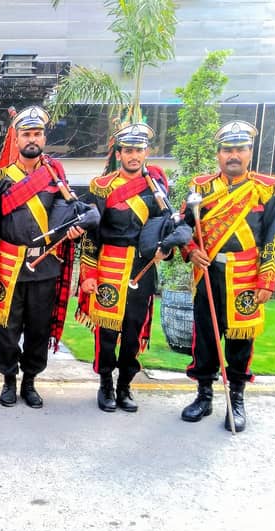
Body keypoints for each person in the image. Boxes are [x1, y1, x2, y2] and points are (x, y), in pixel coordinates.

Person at [0, 106, 94, 408]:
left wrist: (72, 231)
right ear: (16, 139)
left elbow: (69, 216)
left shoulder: (56, 176)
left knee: (37, 328)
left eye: (37, 133)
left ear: (44, 138)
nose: (32, 139)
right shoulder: (0, 179)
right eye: (26, 134)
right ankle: (8, 380)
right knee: (7, 329)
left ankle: (30, 381)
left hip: (45, 266)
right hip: (9, 267)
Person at [180, 120, 275, 432]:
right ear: (218, 154)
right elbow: (184, 228)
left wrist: (266, 279)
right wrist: (190, 250)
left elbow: (272, 237)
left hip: (246, 277)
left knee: (240, 342)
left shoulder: (265, 189)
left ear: (250, 152)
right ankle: (204, 395)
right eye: (227, 150)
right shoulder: (201, 188)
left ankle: (235, 399)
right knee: (206, 338)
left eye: (240, 149)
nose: (233, 155)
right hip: (209, 273)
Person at [77, 123, 176, 413]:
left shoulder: (156, 188)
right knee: (106, 332)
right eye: (128, 150)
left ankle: (125, 385)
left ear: (147, 152)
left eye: (139, 150)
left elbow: (166, 227)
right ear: (119, 153)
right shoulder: (102, 187)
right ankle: (106, 383)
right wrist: (88, 274)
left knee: (134, 330)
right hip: (109, 264)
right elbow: (91, 234)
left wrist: (164, 250)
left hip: (141, 269)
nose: (134, 155)